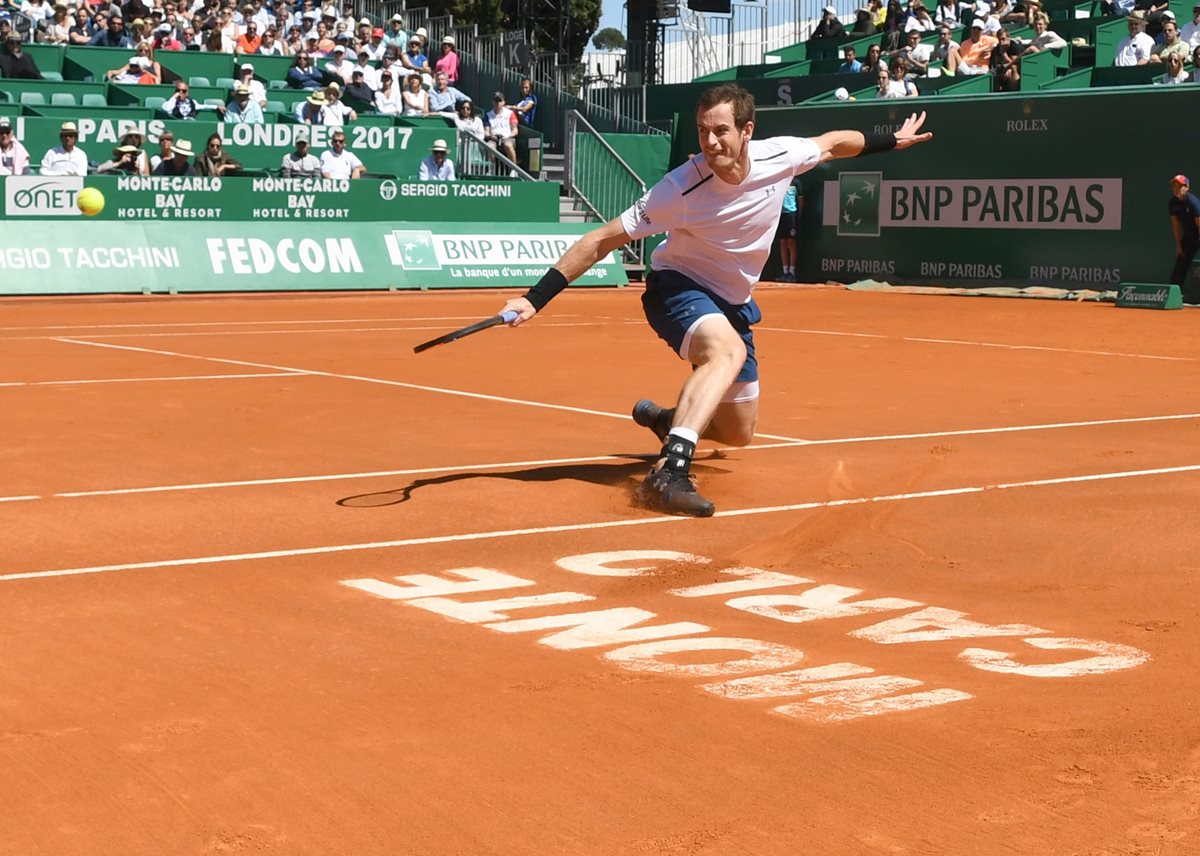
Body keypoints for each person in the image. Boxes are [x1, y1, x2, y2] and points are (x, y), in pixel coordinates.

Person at [494, 83, 933, 516]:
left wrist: (890, 141)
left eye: (721, 130)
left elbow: (834, 142)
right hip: (678, 286)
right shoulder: (679, 189)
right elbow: (600, 240)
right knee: (727, 352)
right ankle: (669, 474)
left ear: (747, 130)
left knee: (738, 433)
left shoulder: (780, 155)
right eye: (703, 131)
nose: (710, 142)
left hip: (733, 302)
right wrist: (535, 298)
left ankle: (670, 421)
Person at [1168, 174, 1200, 302]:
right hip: (1189, 235)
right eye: (1174, 186)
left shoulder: (1192, 202)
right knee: (1181, 263)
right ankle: (1173, 295)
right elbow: (1176, 224)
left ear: (1186, 188)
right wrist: (1178, 244)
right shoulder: (1172, 203)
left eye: (1179, 186)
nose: (1176, 189)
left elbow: (1199, 223)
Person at [775, 176, 804, 282]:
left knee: (791, 243)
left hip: (791, 215)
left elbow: (801, 201)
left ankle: (792, 273)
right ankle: (785, 272)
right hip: (780, 215)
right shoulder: (779, 180)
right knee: (782, 242)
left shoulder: (796, 182)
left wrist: (798, 217)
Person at [485, 90, 518, 175]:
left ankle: (514, 169)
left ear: (503, 102)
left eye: (500, 101)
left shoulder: (510, 113)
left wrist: (508, 136)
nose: (498, 103)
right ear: (493, 102)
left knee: (508, 145)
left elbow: (515, 130)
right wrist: (491, 136)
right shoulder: (488, 115)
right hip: (494, 137)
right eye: (496, 100)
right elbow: (486, 131)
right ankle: (491, 169)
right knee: (490, 146)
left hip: (507, 137)